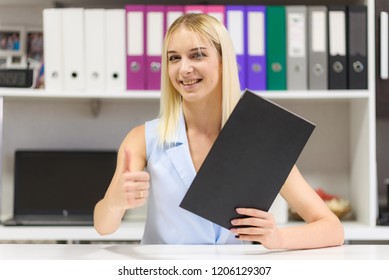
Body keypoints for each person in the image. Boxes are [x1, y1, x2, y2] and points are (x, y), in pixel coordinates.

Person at [94, 13, 344, 249]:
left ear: (223, 61)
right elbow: (103, 226)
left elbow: (333, 229)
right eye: (174, 58)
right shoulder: (143, 139)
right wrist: (115, 202)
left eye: (197, 55)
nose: (184, 69)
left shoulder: (259, 139)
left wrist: (276, 237)